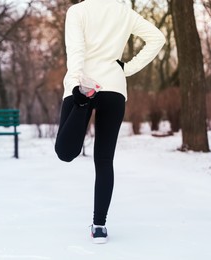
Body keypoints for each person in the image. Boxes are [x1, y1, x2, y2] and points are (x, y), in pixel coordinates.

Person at [54, 0, 165, 244]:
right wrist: (126, 68)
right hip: (114, 88)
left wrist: (76, 88)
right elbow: (158, 38)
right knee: (104, 160)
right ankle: (100, 227)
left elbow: (76, 53)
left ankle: (83, 101)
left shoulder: (78, 11)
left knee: (65, 152)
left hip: (84, 84)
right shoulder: (123, 11)